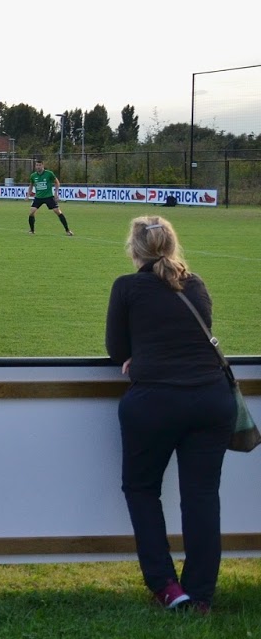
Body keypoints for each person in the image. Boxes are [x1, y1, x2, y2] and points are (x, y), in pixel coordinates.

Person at [107, 215, 233, 612]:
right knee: (202, 496)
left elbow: (116, 349)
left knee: (142, 490)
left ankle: (166, 585)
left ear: (134, 249)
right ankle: (200, 595)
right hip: (212, 400)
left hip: (156, 402)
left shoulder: (127, 287)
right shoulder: (194, 284)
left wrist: (135, 359)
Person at [28, 157, 74, 235]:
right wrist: (28, 194)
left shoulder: (49, 173)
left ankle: (67, 230)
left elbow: (57, 182)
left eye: (39, 165)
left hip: (48, 197)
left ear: (43, 165)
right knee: (31, 212)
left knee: (58, 211)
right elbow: (31, 185)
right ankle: (32, 231)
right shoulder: (33, 176)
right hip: (38, 197)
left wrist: (56, 194)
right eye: (37, 165)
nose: (38, 167)